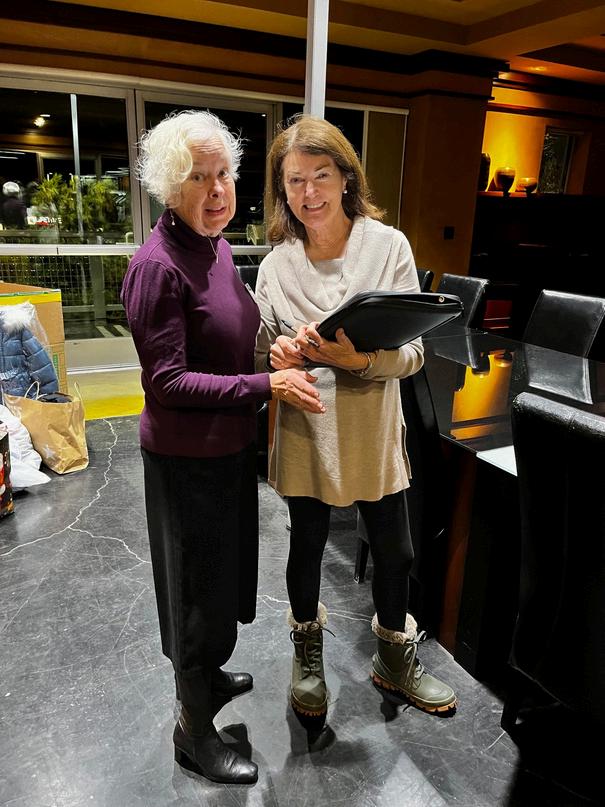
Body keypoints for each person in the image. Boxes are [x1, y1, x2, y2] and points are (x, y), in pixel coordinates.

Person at [121, 110, 325, 785]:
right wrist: (267, 383)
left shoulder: (212, 248)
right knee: (192, 594)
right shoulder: (157, 267)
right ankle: (192, 728)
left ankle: (207, 674)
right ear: (168, 186)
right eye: (198, 178)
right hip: (185, 460)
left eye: (223, 174)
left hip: (226, 450)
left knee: (219, 581)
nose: (216, 190)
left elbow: (232, 337)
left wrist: (274, 352)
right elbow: (169, 381)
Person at [254, 115, 456, 721]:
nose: (308, 192)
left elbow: (414, 352)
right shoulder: (276, 265)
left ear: (347, 177)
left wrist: (360, 361)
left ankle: (394, 658)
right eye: (294, 180)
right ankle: (307, 656)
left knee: (396, 550)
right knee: (307, 546)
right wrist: (278, 352)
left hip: (371, 425)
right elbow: (262, 348)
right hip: (306, 423)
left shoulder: (388, 247)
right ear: (281, 189)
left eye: (320, 175)